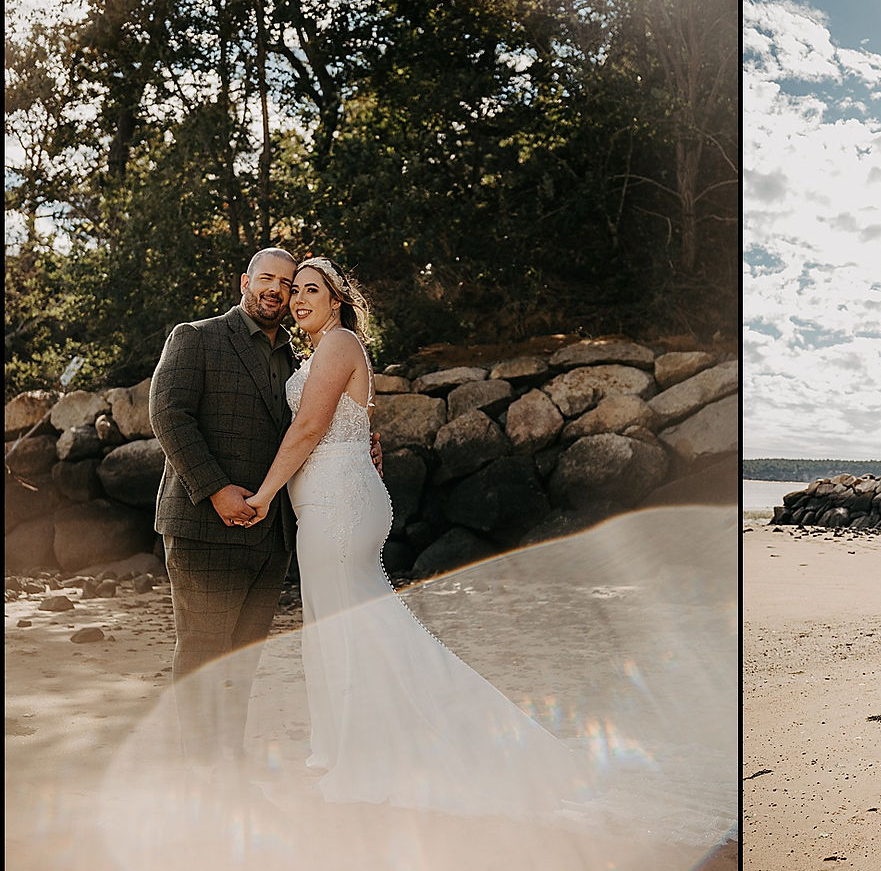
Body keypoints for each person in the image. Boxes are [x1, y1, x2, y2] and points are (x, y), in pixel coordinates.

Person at [242, 257, 592, 815]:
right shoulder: (325, 351)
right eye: (294, 290)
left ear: (337, 300)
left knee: (349, 627)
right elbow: (347, 421)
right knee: (343, 625)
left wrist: (261, 495)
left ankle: (370, 753)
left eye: (313, 290)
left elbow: (309, 426)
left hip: (337, 504)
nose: (299, 298)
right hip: (333, 498)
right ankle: (341, 747)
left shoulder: (338, 345)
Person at [150, 247, 381, 768]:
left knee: (243, 658)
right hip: (204, 526)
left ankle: (228, 765)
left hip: (270, 533)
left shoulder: (300, 361)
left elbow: (317, 424)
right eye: (270, 279)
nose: (279, 290)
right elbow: (169, 416)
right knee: (204, 651)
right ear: (244, 282)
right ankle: (201, 774)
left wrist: (366, 438)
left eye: (291, 283)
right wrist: (215, 489)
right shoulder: (198, 337)